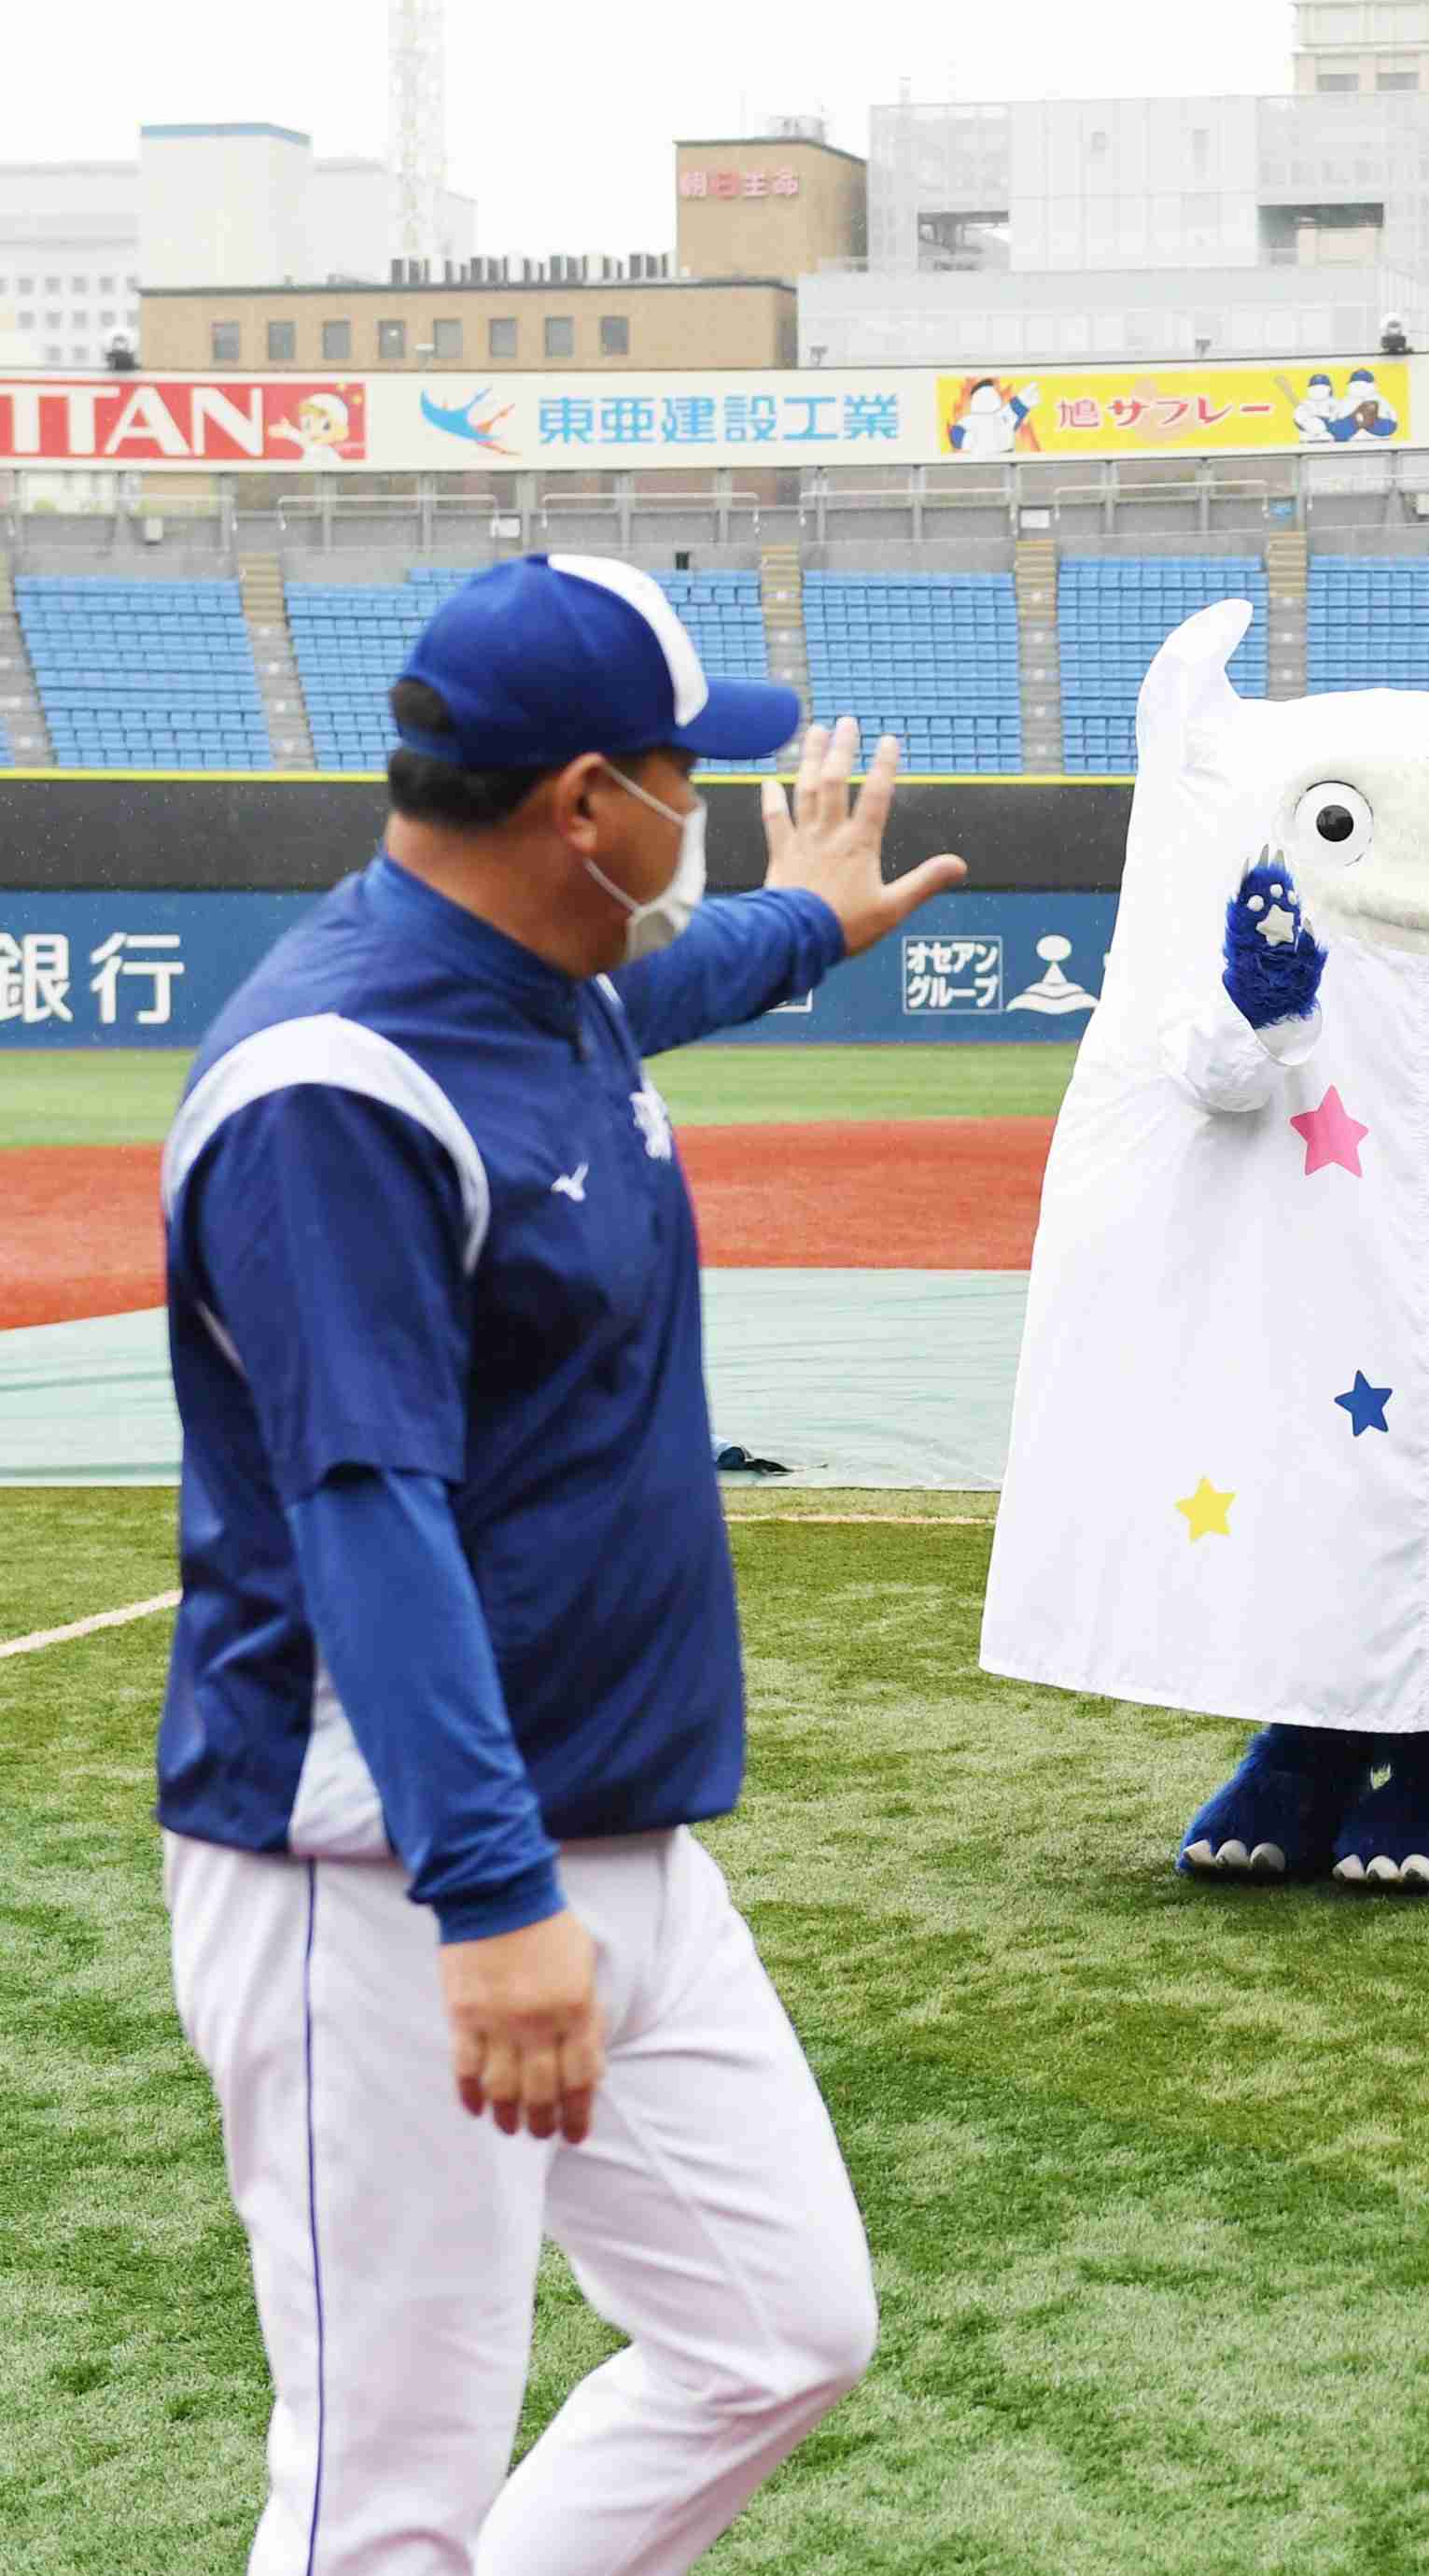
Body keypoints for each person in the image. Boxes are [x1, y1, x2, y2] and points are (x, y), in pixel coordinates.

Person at [155, 552, 964, 2573]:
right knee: (379, 2495)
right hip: (389, 1871)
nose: (715, 808)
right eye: (692, 775)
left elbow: (637, 1003)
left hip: (615, 1826)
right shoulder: (331, 1087)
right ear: (585, 804)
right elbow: (364, 1505)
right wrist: (490, 1896)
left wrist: (802, 928)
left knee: (775, 2332)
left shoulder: (541, 991)